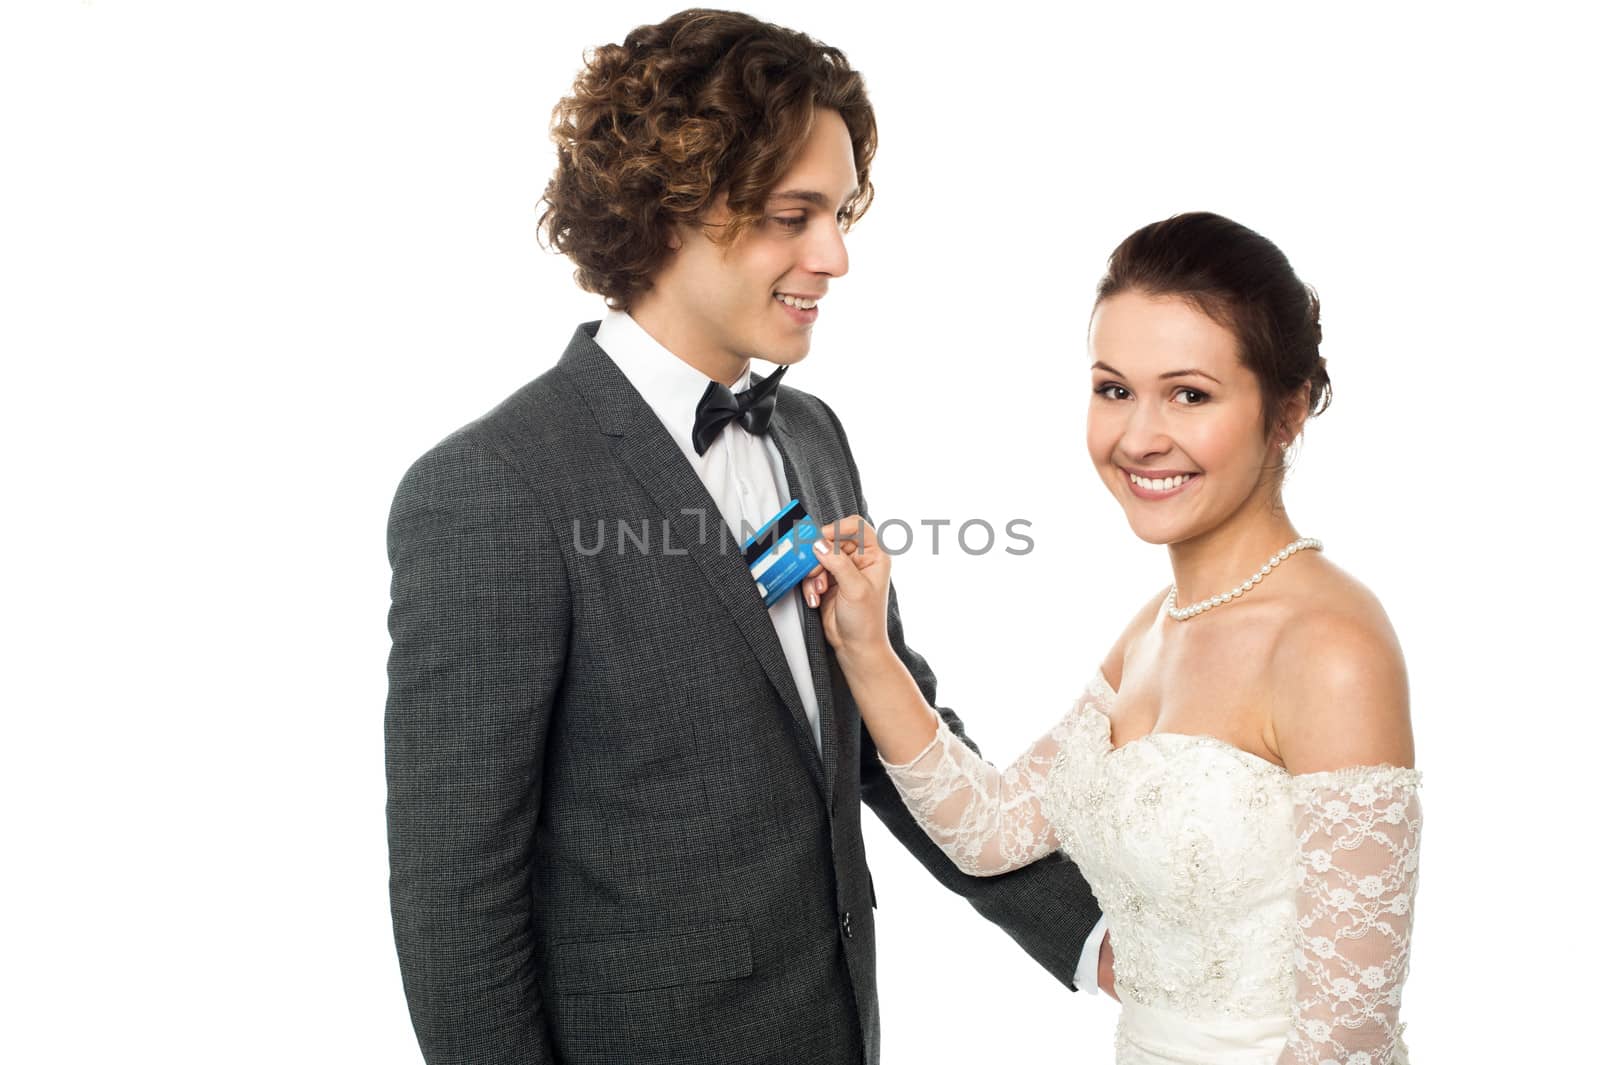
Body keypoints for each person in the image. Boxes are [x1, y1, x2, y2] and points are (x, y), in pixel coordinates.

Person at [382, 10, 1105, 1065]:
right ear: (670, 205)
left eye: (842, 211)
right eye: (794, 214)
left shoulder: (809, 436)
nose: (837, 256)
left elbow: (884, 737)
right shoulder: (489, 487)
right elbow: (454, 899)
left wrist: (1093, 938)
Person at [807, 212, 1422, 1064]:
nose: (1138, 437)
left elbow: (1345, 1039)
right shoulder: (1154, 627)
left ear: (1285, 414)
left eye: (1190, 394)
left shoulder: (1332, 646)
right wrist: (868, 647)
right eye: (1114, 388)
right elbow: (990, 829)